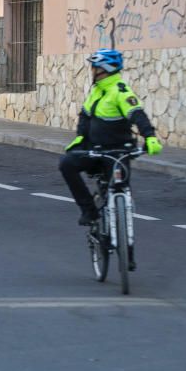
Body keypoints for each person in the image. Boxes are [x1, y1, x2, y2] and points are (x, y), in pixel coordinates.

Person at [59, 48, 162, 267]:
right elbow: (85, 116)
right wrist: (79, 139)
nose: (92, 71)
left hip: (117, 152)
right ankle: (89, 211)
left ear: (104, 69)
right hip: (94, 150)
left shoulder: (120, 90)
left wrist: (149, 137)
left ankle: (128, 254)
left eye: (95, 67)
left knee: (122, 194)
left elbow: (137, 114)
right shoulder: (97, 90)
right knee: (66, 164)